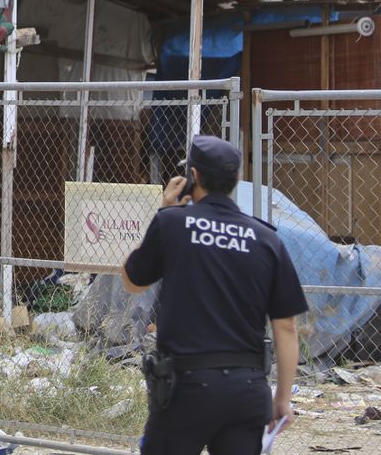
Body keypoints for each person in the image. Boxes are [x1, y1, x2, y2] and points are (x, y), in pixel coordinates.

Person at [121, 135, 309, 455]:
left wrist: (164, 210)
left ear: (192, 177)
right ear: (236, 180)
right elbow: (287, 326)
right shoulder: (266, 239)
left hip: (186, 389)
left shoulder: (172, 223)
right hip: (247, 390)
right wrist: (282, 399)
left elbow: (132, 281)